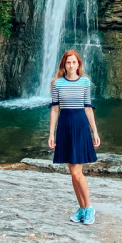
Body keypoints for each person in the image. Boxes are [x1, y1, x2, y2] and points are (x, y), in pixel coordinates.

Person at [48, 49, 100, 224]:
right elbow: (55, 109)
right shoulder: (57, 84)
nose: (71, 65)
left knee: (78, 173)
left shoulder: (85, 82)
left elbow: (88, 107)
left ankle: (90, 208)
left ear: (78, 65)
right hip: (64, 126)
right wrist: (51, 134)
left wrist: (95, 131)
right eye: (68, 62)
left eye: (74, 62)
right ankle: (82, 208)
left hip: (80, 125)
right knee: (72, 173)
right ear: (64, 65)